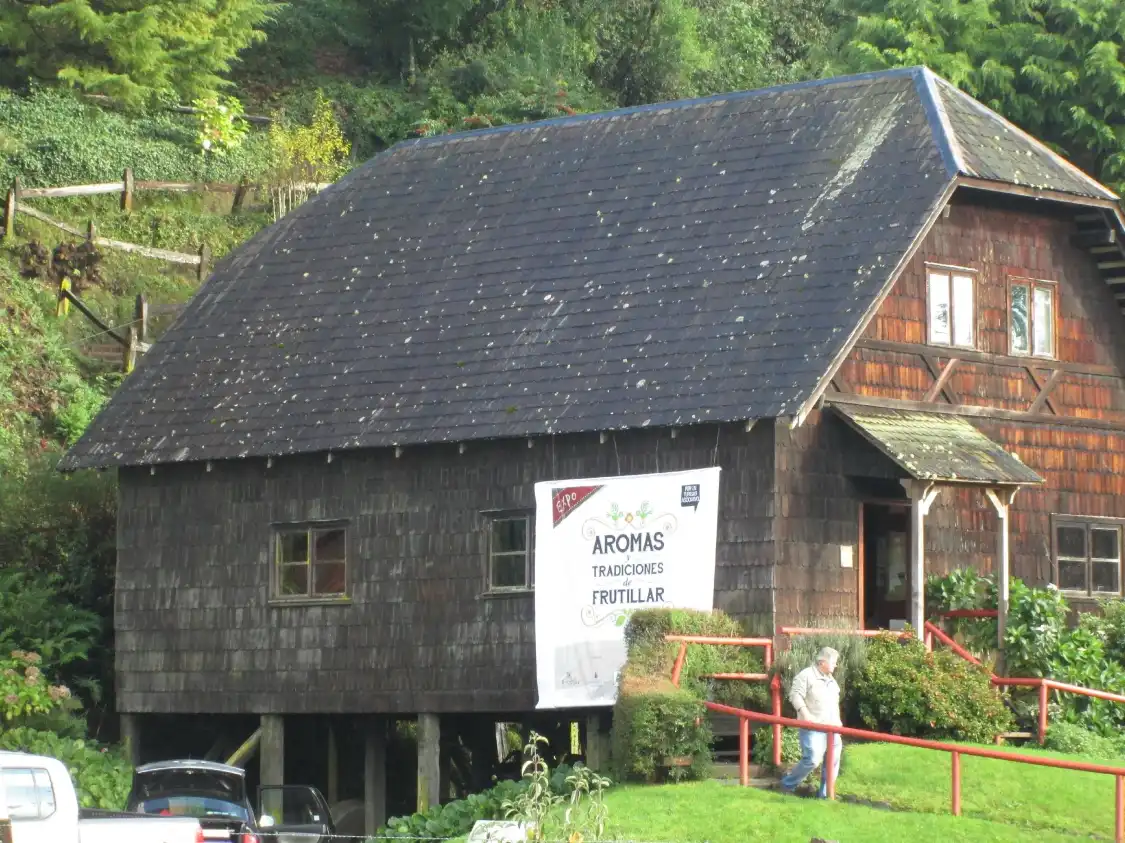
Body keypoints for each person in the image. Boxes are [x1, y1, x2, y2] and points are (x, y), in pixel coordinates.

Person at [779, 647, 842, 799]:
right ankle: (787, 785)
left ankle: (826, 795)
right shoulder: (806, 675)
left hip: (833, 729)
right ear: (822, 662)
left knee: (832, 762)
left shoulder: (832, 681)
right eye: (833, 662)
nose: (835, 665)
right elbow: (795, 696)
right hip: (813, 727)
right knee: (812, 760)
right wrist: (806, 716)